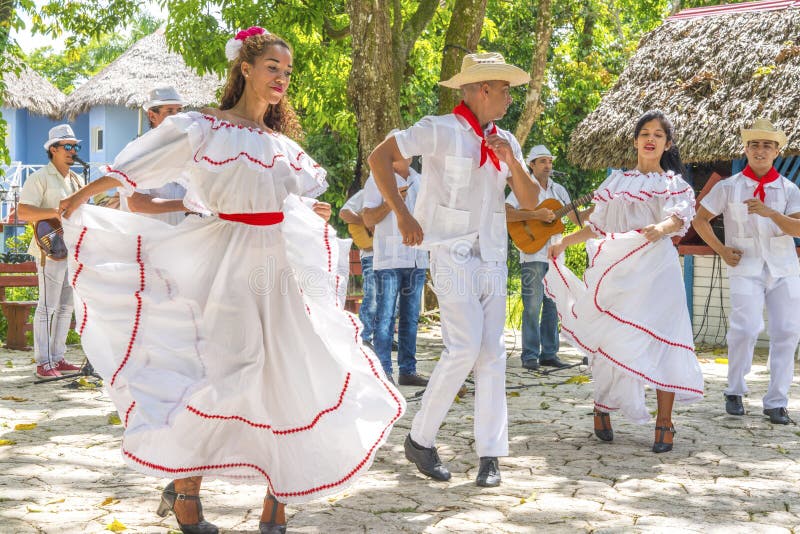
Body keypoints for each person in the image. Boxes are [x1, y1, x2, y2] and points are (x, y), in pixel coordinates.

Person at [58, 27, 404, 534]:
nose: (281, 78)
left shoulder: (282, 145)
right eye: (272, 67)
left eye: (287, 71)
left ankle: (276, 509)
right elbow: (139, 165)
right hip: (222, 263)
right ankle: (186, 495)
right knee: (219, 377)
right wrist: (81, 195)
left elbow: (276, 198)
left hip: (277, 269)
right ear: (245, 68)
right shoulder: (203, 127)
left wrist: (305, 209)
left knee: (290, 375)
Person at [368, 52, 539, 487]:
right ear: (483, 88)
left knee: (491, 354)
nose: (508, 98)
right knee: (464, 347)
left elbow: (531, 201)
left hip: (493, 255)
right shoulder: (438, 129)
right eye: (504, 90)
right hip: (449, 251)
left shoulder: (507, 140)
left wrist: (513, 162)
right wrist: (403, 214)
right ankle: (421, 439)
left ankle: (489, 455)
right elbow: (379, 157)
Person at [545, 110, 703, 453]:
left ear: (667, 143)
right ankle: (603, 408)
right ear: (635, 141)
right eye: (645, 133)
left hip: (658, 271)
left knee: (665, 338)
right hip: (618, 269)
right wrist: (564, 242)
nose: (650, 139)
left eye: (658, 134)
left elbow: (678, 219)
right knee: (611, 338)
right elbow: (598, 226)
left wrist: (659, 229)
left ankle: (665, 422)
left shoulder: (673, 184)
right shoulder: (616, 182)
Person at [692, 118, 800, 425]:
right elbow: (700, 220)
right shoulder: (729, 187)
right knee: (746, 328)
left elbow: (797, 227)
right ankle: (734, 390)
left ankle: (777, 401)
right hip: (746, 266)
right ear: (746, 149)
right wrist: (722, 250)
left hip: (784, 268)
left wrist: (770, 213)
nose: (760, 150)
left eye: (767, 145)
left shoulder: (790, 189)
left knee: (788, 332)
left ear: (777, 151)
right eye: (754, 144)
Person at [505, 145, 592, 371]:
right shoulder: (522, 188)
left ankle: (549, 354)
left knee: (553, 305)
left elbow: (576, 218)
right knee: (532, 306)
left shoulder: (560, 191)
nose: (548, 165)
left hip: (555, 256)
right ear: (531, 165)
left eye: (550, 161)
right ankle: (530, 355)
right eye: (542, 161)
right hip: (532, 252)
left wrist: (597, 206)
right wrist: (535, 215)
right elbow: (505, 212)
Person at [18, 124, 85, 378]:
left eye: (75, 146)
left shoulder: (77, 179)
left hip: (71, 251)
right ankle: (43, 363)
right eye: (67, 146)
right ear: (53, 149)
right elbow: (24, 212)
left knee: (66, 306)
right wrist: (55, 212)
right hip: (49, 251)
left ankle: (58, 358)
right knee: (47, 306)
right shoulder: (39, 178)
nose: (72, 151)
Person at [362, 139, 429, 387]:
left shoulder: (421, 180)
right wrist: (392, 202)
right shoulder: (376, 179)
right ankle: (383, 371)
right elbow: (367, 218)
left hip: (417, 257)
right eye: (401, 149)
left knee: (411, 319)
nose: (407, 153)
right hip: (389, 259)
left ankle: (407, 370)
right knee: (385, 317)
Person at [119, 86, 188, 226]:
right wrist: (187, 205)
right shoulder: (137, 152)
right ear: (152, 115)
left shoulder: (187, 150)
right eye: (170, 111)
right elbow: (136, 203)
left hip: (183, 239)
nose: (177, 117)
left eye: (179, 111)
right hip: (149, 241)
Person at [339, 189, 377, 345]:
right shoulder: (369, 191)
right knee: (373, 297)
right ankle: (365, 337)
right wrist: (366, 221)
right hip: (372, 254)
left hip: (394, 256)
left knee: (392, 300)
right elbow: (344, 213)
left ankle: (382, 337)